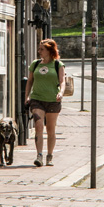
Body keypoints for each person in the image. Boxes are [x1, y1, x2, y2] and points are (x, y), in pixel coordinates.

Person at [24, 38, 65, 167]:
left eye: (42, 49)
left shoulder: (58, 65)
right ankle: (39, 155)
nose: (39, 51)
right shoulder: (35, 64)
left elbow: (62, 81)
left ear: (49, 50)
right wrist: (27, 96)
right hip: (37, 100)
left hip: (53, 100)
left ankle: (50, 156)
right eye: (39, 49)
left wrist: (61, 93)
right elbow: (30, 81)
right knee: (39, 126)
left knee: (51, 130)